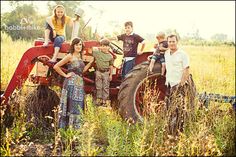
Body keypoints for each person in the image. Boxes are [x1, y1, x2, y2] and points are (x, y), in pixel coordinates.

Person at [53, 37, 94, 129]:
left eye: (80, 44)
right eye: (77, 44)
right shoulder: (70, 56)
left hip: (79, 84)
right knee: (70, 105)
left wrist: (90, 63)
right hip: (71, 84)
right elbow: (56, 66)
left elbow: (82, 71)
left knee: (78, 105)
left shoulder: (81, 56)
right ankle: (66, 129)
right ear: (73, 46)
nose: (79, 46)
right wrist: (65, 75)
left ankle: (76, 130)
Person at [164, 34, 196, 136]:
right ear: (167, 42)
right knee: (169, 108)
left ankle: (179, 132)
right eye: (169, 42)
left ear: (177, 42)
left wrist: (181, 85)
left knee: (179, 109)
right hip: (169, 84)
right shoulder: (166, 53)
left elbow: (186, 70)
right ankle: (171, 130)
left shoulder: (183, 54)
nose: (171, 43)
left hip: (178, 85)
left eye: (173, 41)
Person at [91, 38, 114, 106]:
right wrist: (99, 45)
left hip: (106, 72)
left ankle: (104, 101)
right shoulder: (97, 53)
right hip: (98, 71)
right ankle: (99, 100)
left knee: (105, 87)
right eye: (103, 46)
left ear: (109, 47)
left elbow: (111, 65)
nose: (104, 47)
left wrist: (111, 75)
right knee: (99, 86)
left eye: (106, 46)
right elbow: (91, 49)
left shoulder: (110, 56)